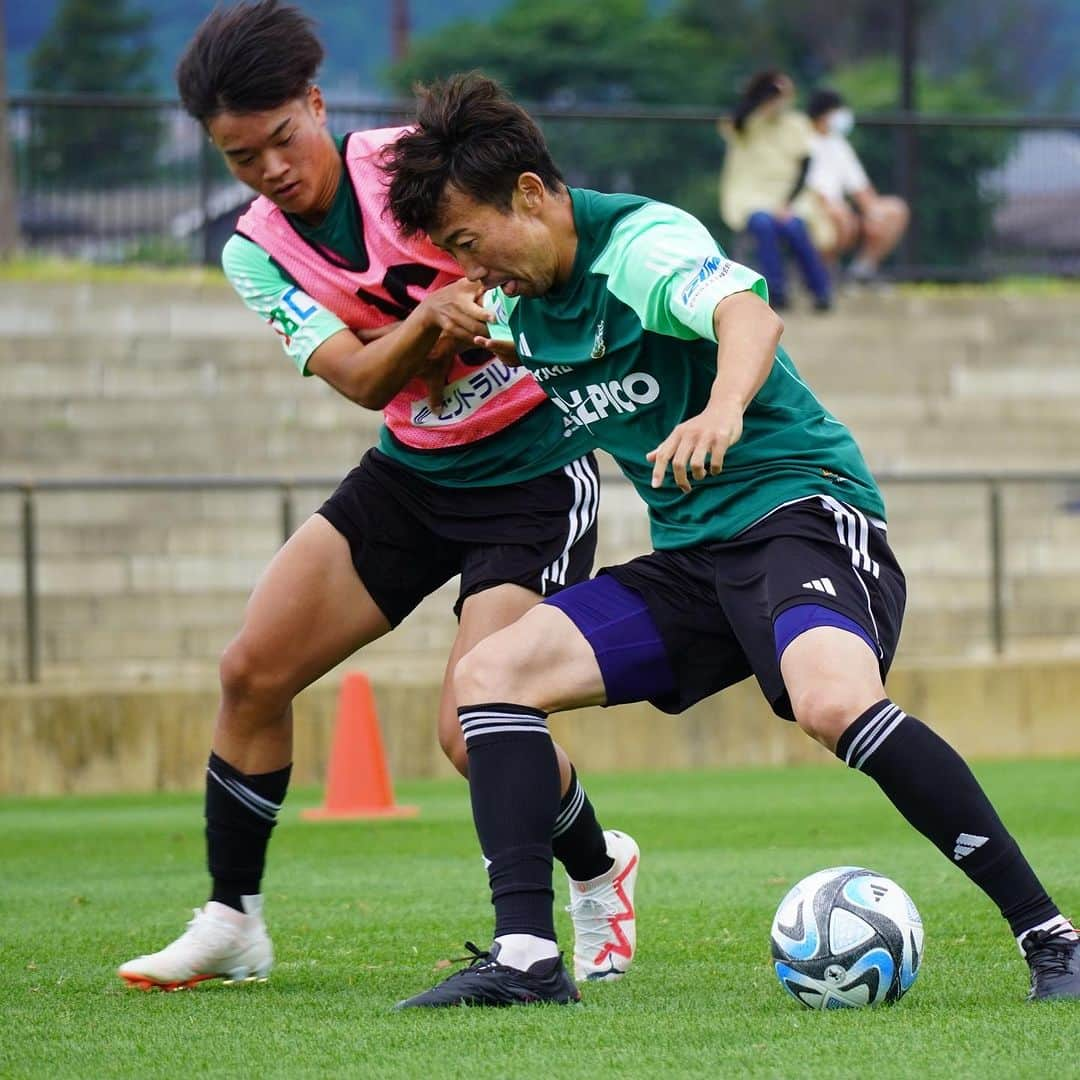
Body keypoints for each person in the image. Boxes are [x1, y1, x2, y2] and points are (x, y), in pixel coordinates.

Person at [382, 73, 1080, 1008]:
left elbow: (747, 312)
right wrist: (449, 325)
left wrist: (721, 408)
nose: (476, 271)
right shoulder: (515, 307)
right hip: (696, 560)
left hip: (800, 510)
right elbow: (481, 344)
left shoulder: (640, 244)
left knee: (835, 704)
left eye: (472, 243)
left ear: (533, 196)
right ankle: (526, 960)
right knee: (487, 680)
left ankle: (1052, 939)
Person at [116, 2, 639, 993]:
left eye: (281, 138)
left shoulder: (411, 162)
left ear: (316, 104)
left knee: (470, 729)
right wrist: (431, 326)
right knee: (251, 671)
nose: (269, 168)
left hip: (531, 472)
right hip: (411, 473)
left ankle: (598, 872)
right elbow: (360, 379)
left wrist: (483, 321)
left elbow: (536, 246)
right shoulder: (252, 251)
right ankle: (234, 919)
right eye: (239, 157)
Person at [718, 70, 833, 311]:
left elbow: (805, 168)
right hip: (750, 197)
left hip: (789, 197)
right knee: (763, 224)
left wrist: (786, 203)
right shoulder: (747, 123)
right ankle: (777, 291)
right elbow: (736, 120)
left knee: (794, 227)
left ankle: (821, 291)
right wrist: (760, 92)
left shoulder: (797, 124)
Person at [806, 88, 910, 282]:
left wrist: (874, 212)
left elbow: (860, 187)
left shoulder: (839, 144)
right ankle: (823, 273)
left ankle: (862, 271)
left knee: (894, 210)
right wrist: (833, 207)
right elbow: (809, 187)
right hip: (813, 207)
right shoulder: (804, 141)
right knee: (841, 217)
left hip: (841, 208)